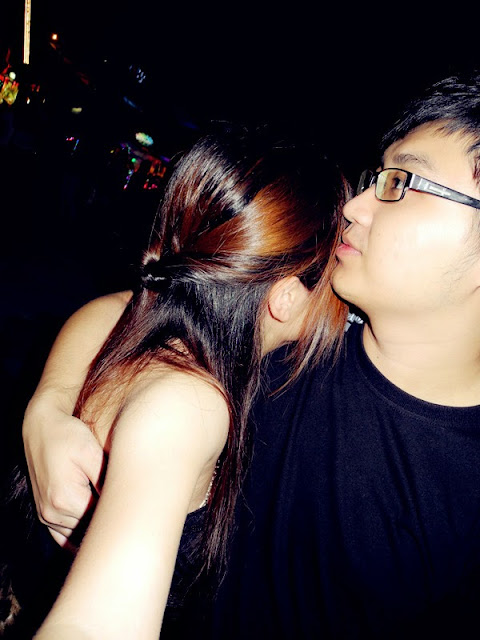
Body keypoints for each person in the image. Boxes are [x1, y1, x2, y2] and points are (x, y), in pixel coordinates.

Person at [23, 71, 480, 638]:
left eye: (402, 182)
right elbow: (149, 302)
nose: (355, 207)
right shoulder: (307, 324)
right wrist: (51, 405)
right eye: (377, 177)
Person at [18, 125, 349, 638]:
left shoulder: (141, 324)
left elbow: (113, 305)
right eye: (333, 268)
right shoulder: (188, 404)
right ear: (285, 298)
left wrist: (48, 403)